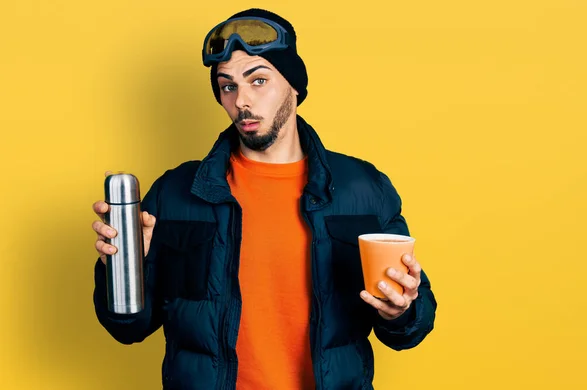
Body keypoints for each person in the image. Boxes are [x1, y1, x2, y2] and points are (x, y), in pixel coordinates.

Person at [91, 8, 437, 390]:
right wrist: (121, 270)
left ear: (294, 86)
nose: (242, 101)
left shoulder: (363, 188)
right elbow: (128, 329)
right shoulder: (175, 194)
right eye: (228, 86)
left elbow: (410, 327)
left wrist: (401, 310)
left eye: (258, 80)